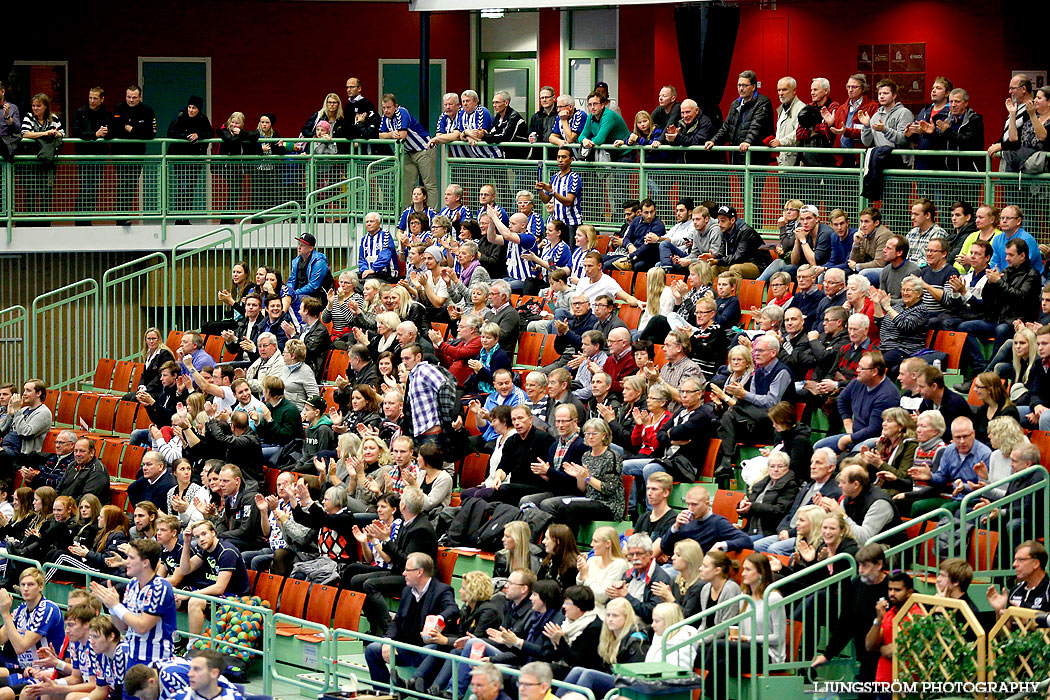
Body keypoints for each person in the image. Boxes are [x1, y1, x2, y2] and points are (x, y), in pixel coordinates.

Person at [363, 552, 459, 686]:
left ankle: (416, 687)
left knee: (433, 650)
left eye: (407, 570)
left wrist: (438, 618)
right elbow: (397, 621)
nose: (403, 573)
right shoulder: (407, 591)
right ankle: (383, 694)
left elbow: (453, 609)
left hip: (426, 648)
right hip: (406, 647)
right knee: (372, 649)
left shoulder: (442, 590)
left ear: (420, 572)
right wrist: (388, 640)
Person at [701, 553, 785, 700]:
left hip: (769, 655)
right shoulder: (744, 597)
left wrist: (746, 638)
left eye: (748, 569)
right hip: (748, 649)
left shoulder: (773, 598)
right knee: (720, 664)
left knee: (719, 646)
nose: (743, 573)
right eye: (743, 569)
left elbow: (777, 638)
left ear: (760, 573)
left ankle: (703, 691)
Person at [811, 543, 889, 685]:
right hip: (865, 656)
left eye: (865, 566)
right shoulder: (855, 584)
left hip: (887, 657)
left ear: (879, 565)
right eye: (859, 565)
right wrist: (828, 655)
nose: (860, 571)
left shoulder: (893, 588)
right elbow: (846, 623)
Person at [90, 539, 176, 666]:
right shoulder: (132, 584)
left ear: (145, 562)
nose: (126, 562)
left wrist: (116, 605)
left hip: (156, 661)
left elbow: (142, 627)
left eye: (131, 558)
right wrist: (111, 608)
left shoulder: (160, 587)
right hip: (132, 655)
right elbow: (122, 627)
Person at [714, 333, 791, 476]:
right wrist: (742, 395)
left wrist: (743, 394)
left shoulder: (782, 372)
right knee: (727, 415)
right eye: (755, 350)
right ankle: (726, 462)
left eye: (760, 351)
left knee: (733, 411)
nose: (755, 354)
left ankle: (726, 461)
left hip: (777, 416)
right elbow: (753, 398)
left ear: (773, 353)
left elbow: (772, 402)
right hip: (757, 413)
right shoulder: (758, 371)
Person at [174, 520, 250, 637]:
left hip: (233, 597)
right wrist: (187, 543)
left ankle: (192, 644)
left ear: (213, 533)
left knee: (195, 601)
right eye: (197, 537)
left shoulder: (227, 552)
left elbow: (219, 588)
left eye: (204, 534)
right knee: (172, 597)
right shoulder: (206, 550)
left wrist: (191, 594)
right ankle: (176, 640)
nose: (201, 539)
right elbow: (185, 570)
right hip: (214, 594)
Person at [704, 70, 775, 160]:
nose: (741, 88)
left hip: (755, 155)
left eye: (745, 85)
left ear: (753, 87)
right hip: (737, 154)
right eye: (739, 85)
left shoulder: (762, 102)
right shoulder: (735, 104)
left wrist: (747, 141)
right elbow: (726, 127)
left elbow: (757, 126)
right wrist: (713, 141)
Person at [108, 85, 157, 213]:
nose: (130, 100)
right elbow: (114, 130)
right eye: (128, 97)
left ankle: (124, 212)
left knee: (131, 183)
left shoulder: (147, 110)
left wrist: (132, 129)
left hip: (137, 153)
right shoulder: (119, 108)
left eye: (134, 97)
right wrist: (134, 132)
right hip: (119, 152)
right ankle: (121, 214)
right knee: (124, 181)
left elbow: (151, 133)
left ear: (140, 97)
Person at [661, 486, 751, 555]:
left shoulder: (717, 522)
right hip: (677, 564)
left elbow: (746, 541)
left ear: (706, 504)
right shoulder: (684, 521)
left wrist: (721, 545)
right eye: (688, 504)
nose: (690, 508)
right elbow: (665, 548)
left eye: (694, 504)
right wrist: (675, 527)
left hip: (696, 570)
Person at [71, 86, 111, 217]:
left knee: (94, 188)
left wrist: (106, 133)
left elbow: (110, 130)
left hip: (100, 154)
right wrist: (95, 134)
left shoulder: (105, 113)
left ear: (102, 99)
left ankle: (88, 216)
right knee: (86, 187)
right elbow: (77, 131)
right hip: (84, 154)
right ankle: (80, 218)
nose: (92, 101)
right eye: (90, 97)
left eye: (95, 98)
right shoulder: (80, 112)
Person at [986, 541, 1050, 616]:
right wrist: (1000, 610)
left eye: (1020, 560)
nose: (1014, 564)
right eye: (1015, 560)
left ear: (1035, 563)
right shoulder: (1015, 591)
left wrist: (1023, 619)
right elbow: (1005, 628)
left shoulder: (1048, 590)